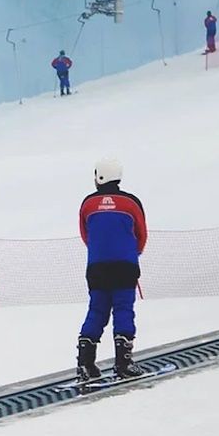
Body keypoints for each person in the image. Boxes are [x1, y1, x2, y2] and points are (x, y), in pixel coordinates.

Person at [76, 157, 147, 382]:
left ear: (99, 177)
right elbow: (141, 234)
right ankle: (123, 362)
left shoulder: (87, 204)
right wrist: (132, 253)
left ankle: (85, 363)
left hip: (96, 266)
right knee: (123, 309)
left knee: (97, 310)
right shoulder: (131, 203)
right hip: (125, 265)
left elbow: (85, 234)